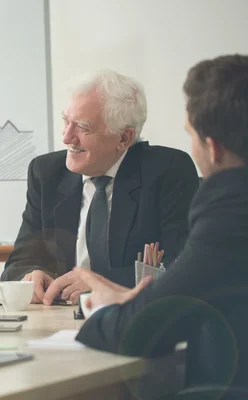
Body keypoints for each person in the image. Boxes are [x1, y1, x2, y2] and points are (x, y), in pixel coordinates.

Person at [74, 54, 248, 389]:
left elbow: (143, 332)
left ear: (213, 148)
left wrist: (105, 310)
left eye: (190, 134)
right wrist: (138, 301)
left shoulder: (231, 210)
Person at [1, 69, 199, 305]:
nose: (66, 137)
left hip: (134, 318)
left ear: (124, 138)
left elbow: (183, 266)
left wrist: (100, 282)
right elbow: (17, 264)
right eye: (66, 121)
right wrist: (30, 276)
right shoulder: (46, 173)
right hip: (58, 320)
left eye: (83, 127)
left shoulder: (167, 170)